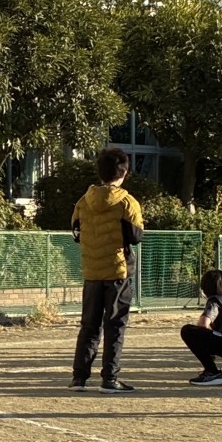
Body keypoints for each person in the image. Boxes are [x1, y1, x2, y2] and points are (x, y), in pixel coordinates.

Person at [68, 148, 144, 394]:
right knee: (115, 325)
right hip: (118, 271)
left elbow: (76, 232)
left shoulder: (84, 201)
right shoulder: (127, 201)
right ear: (124, 173)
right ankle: (110, 378)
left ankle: (79, 378)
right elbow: (135, 237)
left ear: (100, 172)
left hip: (92, 271)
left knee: (89, 326)